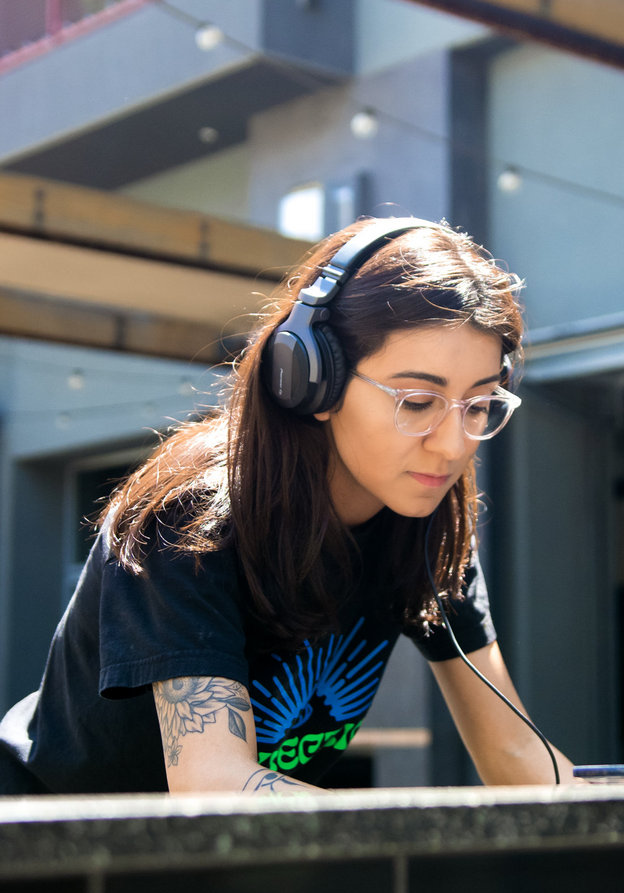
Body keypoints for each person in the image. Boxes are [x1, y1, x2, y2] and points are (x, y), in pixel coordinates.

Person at [0, 217, 573, 795]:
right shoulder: (189, 521)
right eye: (419, 402)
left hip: (220, 853)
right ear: (312, 379)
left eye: (478, 405)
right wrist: (411, 836)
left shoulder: (425, 519)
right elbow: (213, 780)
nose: (452, 446)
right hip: (42, 840)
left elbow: (514, 751)